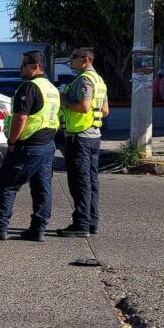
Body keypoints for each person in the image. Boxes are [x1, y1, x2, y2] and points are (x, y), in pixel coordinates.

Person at [0, 51, 60, 242]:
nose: (20, 68)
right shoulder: (51, 88)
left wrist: (12, 141)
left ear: (35, 66)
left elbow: (21, 118)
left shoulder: (28, 87)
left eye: (24, 65)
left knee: (7, 186)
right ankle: (38, 230)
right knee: (42, 188)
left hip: (29, 145)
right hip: (47, 145)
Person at [57, 47, 109, 238]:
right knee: (91, 181)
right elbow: (105, 110)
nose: (70, 61)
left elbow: (85, 107)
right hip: (94, 136)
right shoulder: (99, 81)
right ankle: (92, 221)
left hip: (80, 136)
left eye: (74, 57)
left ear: (85, 60)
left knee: (80, 182)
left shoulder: (85, 80)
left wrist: (64, 102)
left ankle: (81, 224)